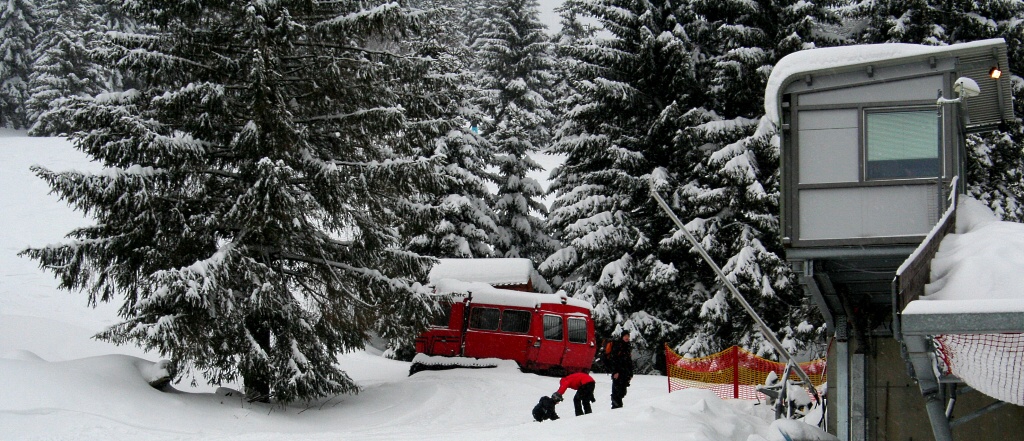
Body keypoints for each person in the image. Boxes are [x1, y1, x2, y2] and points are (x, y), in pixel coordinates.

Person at [607, 329, 634, 409]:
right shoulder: (618, 346)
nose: (627, 338)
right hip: (618, 372)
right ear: (622, 337)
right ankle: (616, 408)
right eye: (625, 336)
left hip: (625, 373)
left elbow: (629, 361)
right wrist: (615, 371)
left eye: (628, 336)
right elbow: (614, 359)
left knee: (622, 391)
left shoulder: (628, 346)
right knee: (616, 391)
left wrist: (630, 373)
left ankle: (618, 407)